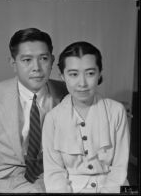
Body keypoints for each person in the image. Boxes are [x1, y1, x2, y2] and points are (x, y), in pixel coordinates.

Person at [0, 28, 68, 193]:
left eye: (43, 58)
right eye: (26, 60)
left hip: (52, 177)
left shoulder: (69, 93)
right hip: (0, 180)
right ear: (13, 63)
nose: (36, 68)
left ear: (52, 60)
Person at [42, 41, 130, 193]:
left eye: (90, 73)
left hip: (116, 186)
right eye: (73, 74)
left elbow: (120, 167)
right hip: (71, 188)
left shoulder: (117, 111)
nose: (82, 83)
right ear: (62, 76)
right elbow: (54, 173)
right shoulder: (52, 118)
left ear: (100, 73)